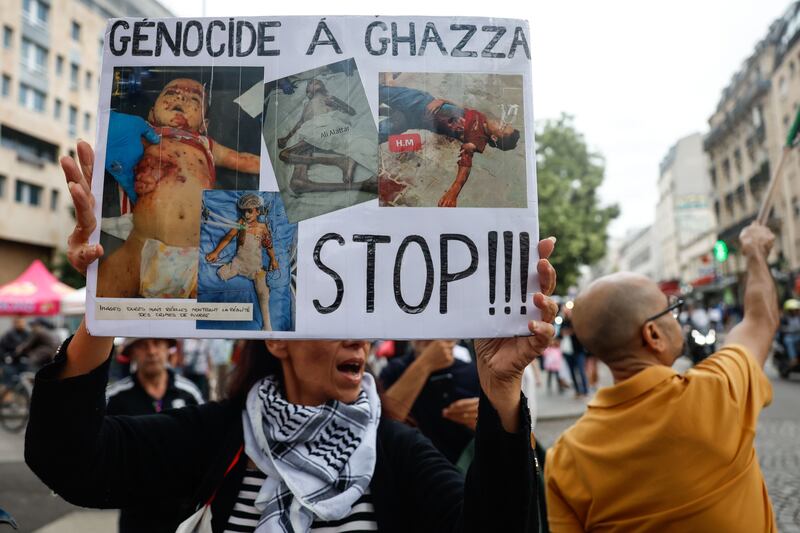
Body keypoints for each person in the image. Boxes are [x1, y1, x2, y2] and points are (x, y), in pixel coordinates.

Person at [25, 141, 559, 533]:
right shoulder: (217, 435)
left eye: (364, 327)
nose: (360, 342)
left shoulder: (396, 450)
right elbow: (71, 462)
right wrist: (104, 306)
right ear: (277, 339)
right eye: (335, 322)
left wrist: (501, 391)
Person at [544, 221, 779, 532]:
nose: (675, 317)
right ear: (652, 334)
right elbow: (760, 319)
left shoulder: (566, 458)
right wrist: (754, 253)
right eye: (671, 309)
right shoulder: (717, 392)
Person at [98, 77, 261, 299]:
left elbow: (242, 160)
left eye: (194, 98)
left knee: (213, 305)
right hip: (141, 244)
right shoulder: (142, 134)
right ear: (152, 114)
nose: (181, 97)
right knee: (105, 299)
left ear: (204, 125)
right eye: (171, 93)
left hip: (195, 255)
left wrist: (278, 164)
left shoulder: (206, 144)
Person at [105, 338, 204, 532]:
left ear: (168, 348)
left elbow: (206, 442)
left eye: (158, 343)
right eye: (142, 345)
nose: (151, 352)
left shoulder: (189, 393)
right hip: (136, 508)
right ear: (131, 353)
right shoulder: (115, 398)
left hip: (184, 507)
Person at [378, 84, 520, 207]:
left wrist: (453, 193)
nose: (501, 123)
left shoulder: (477, 141)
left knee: (380, 132)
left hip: (413, 118)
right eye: (505, 124)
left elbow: (465, 164)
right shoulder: (482, 118)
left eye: (502, 128)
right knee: (381, 92)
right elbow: (462, 109)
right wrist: (442, 101)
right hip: (419, 101)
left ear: (494, 137)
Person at [379, 340, 480, 463]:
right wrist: (425, 363)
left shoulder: (472, 373)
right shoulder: (395, 370)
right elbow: (382, 420)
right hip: (407, 465)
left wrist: (483, 418)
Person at [278, 79, 378, 194]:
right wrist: (286, 137)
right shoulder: (307, 103)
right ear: (308, 91)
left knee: (286, 154)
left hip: (327, 125)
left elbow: (351, 111)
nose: (316, 82)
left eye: (319, 82)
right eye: (311, 83)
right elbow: (300, 122)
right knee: (296, 178)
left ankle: (340, 161)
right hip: (309, 129)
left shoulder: (329, 97)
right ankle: (346, 168)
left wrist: (335, 103)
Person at [205, 193, 279, 331]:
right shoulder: (240, 224)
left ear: (257, 211)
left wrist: (273, 260)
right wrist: (216, 252)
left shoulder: (263, 228)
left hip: (256, 269)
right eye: (244, 211)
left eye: (250, 211)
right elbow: (228, 237)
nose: (247, 214)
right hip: (237, 265)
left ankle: (267, 325)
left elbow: (269, 246)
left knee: (263, 292)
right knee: (221, 274)